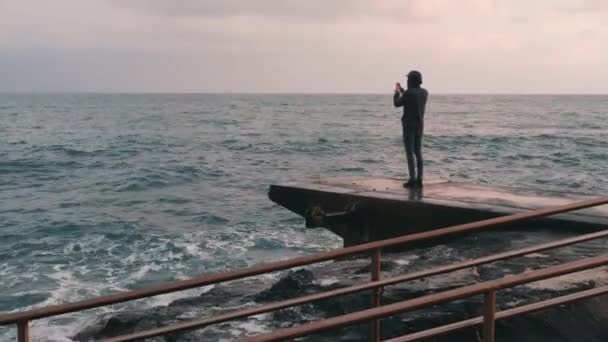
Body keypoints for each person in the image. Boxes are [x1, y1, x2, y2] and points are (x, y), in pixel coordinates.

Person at [393, 70, 428, 188]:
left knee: (409, 153)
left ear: (411, 80)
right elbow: (411, 96)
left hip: (409, 126)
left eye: (408, 79)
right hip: (420, 126)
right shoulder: (424, 93)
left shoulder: (408, 93)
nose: (407, 81)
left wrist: (397, 92)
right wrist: (403, 90)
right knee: (418, 152)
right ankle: (420, 180)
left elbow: (397, 104)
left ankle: (412, 179)